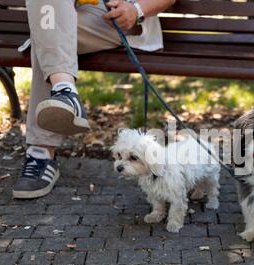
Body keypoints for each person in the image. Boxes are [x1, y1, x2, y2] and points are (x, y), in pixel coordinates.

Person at [13, 0, 175, 199]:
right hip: (68, 12)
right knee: (50, 34)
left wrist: (137, 10)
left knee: (47, 39)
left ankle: (41, 153)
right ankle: (64, 89)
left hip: (120, 15)